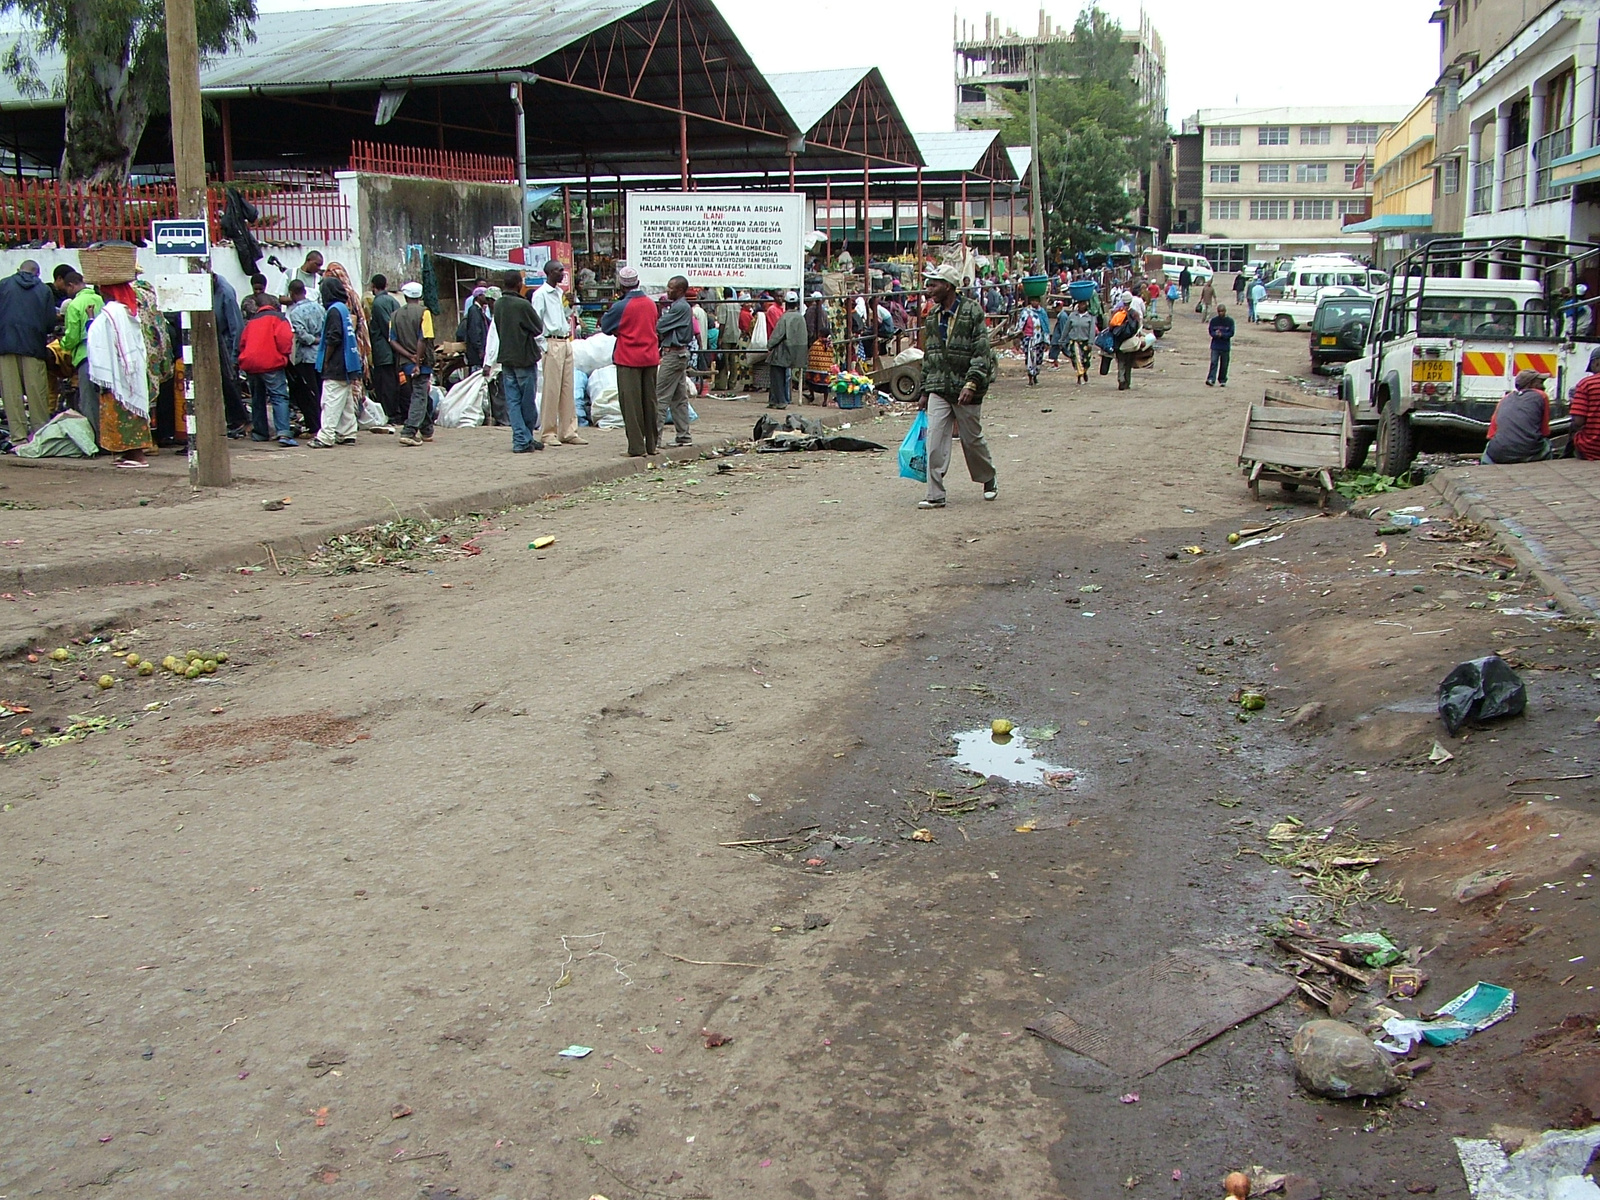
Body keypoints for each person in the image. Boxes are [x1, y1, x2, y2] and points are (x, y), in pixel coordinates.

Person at [917, 263, 997, 509]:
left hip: (967, 388)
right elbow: (930, 355)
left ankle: (988, 477)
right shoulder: (932, 316)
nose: (929, 289)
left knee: (971, 440)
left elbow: (981, 351)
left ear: (949, 287)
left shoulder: (972, 312)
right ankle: (935, 494)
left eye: (934, 284)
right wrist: (924, 389)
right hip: (940, 387)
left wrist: (971, 383)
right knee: (934, 442)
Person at [85, 281, 152, 467]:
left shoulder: (112, 314)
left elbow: (100, 338)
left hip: (120, 371)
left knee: (125, 411)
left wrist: (90, 320)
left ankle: (137, 455)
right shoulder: (127, 312)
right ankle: (128, 453)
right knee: (122, 411)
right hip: (128, 370)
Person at [602, 265, 661, 457]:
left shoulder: (620, 306)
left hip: (629, 358)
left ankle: (636, 447)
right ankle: (652, 444)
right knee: (650, 401)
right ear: (638, 282)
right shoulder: (651, 304)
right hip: (650, 356)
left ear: (621, 285)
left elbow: (606, 326)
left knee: (631, 404)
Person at [0, 259, 58, 440]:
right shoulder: (44, 290)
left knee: (11, 394)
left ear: (19, 270)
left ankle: (18, 437)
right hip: (34, 346)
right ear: (37, 273)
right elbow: (50, 323)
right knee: (37, 392)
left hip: (5, 346)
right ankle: (40, 435)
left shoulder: (4, 285)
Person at [532, 260, 585, 445]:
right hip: (551, 342)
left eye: (562, 270)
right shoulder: (541, 295)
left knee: (567, 389)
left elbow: (561, 317)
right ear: (549, 273)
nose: (562, 273)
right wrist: (543, 345)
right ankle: (548, 432)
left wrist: (570, 307)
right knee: (551, 390)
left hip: (565, 341)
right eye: (558, 270)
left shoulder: (559, 293)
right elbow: (536, 322)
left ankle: (569, 431)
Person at [491, 269, 543, 452]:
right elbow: (538, 328)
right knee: (527, 402)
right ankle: (523, 438)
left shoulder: (498, 304)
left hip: (506, 358)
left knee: (513, 402)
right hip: (524, 358)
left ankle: (523, 437)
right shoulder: (522, 305)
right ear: (519, 284)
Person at [308, 275, 362, 448]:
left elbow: (333, 337)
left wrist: (326, 359)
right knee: (344, 399)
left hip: (337, 362)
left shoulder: (333, 311)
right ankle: (348, 432)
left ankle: (325, 436)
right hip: (348, 361)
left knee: (330, 399)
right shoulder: (343, 309)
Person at [238, 292, 296, 446]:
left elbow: (242, 343)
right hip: (271, 363)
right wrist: (284, 357)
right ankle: (283, 433)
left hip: (251, 364)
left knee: (257, 399)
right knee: (279, 396)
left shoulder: (251, 322)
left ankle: (260, 433)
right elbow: (285, 340)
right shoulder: (279, 318)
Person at [390, 281, 435, 447]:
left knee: (418, 394)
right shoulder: (425, 313)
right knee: (419, 395)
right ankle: (409, 431)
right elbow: (424, 338)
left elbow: (392, 340)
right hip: (421, 362)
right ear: (420, 296)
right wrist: (417, 359)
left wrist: (408, 356)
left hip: (404, 360)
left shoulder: (395, 315)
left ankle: (427, 429)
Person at [59, 270, 104, 437]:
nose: (67, 293)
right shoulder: (100, 299)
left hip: (85, 357)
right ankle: (108, 438)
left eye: (66, 289)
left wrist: (62, 344)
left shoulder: (75, 305)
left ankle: (96, 440)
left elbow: (72, 336)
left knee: (89, 401)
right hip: (103, 356)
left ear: (71, 286)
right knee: (103, 399)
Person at [655, 274, 696, 443]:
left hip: (673, 354)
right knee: (679, 398)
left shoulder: (680, 307)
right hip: (679, 354)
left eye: (671, 288)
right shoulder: (681, 306)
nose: (668, 290)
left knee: (660, 397)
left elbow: (660, 325)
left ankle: (653, 439)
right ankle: (683, 435)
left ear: (680, 290)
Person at [1484, 369, 1552, 464]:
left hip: (1499, 454)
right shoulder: (1541, 396)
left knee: (1489, 448)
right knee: (1547, 444)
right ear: (1530, 384)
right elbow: (1545, 432)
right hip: (1527, 452)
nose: (1543, 387)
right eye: (1540, 383)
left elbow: (1491, 434)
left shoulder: (1505, 399)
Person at [211, 268, 247, 436]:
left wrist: (234, 357)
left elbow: (236, 327)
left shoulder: (226, 292)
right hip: (212, 342)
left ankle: (239, 420)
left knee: (229, 383)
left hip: (225, 345)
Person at [285, 279, 323, 440]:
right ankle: (324, 424)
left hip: (306, 358)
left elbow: (303, 336)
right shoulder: (320, 308)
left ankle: (314, 426)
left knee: (308, 393)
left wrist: (314, 340)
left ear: (292, 294)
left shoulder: (295, 313)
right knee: (322, 392)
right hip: (321, 356)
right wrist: (321, 341)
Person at [368, 274, 403, 424]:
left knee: (386, 384)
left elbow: (386, 327)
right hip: (394, 350)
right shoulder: (393, 301)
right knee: (394, 382)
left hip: (384, 351)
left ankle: (391, 413)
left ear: (373, 287)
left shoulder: (378, 303)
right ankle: (396, 411)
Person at [764, 291, 807, 410]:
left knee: (776, 374)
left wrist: (769, 345)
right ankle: (774, 400)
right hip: (797, 352)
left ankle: (780, 400)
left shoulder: (784, 318)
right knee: (785, 376)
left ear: (786, 304)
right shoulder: (800, 318)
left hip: (783, 351)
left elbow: (777, 335)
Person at [1569, 347, 1600, 461]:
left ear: (1596, 363)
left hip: (1593, 449)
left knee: (1573, 428)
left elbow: (1579, 421)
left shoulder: (1586, 384)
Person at [1015, 296, 1046, 386]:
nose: (1034, 303)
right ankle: (1030, 378)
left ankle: (1035, 375)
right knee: (1029, 358)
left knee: (1038, 359)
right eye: (1033, 301)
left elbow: (1045, 327)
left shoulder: (1042, 312)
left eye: (1036, 301)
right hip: (1028, 339)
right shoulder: (1025, 312)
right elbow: (1020, 326)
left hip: (1040, 339)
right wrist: (1017, 338)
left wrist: (1046, 341)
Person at [1064, 299, 1094, 384]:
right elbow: (1067, 328)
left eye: (1084, 304)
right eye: (1080, 304)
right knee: (1076, 359)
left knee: (1086, 360)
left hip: (1085, 341)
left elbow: (1092, 331)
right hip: (1074, 341)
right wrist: (1062, 340)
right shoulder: (1073, 316)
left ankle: (1084, 371)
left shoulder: (1090, 317)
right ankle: (1079, 376)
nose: (1082, 306)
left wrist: (1090, 342)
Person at [1206, 304, 1236, 388]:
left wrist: (1222, 335)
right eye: (1219, 311)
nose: (1221, 313)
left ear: (1225, 311)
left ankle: (1222, 380)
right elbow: (1211, 331)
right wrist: (1216, 334)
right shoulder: (1214, 321)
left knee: (1224, 364)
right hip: (1215, 345)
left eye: (1222, 311)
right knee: (1213, 362)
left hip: (1225, 346)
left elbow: (1231, 333)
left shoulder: (1230, 321)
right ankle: (1211, 379)